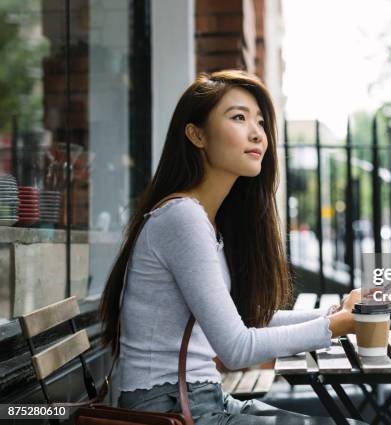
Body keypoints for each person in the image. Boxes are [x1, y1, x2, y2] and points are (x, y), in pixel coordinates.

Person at [99, 70, 366, 424]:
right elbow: (237, 347)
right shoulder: (183, 218)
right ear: (196, 134)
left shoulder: (205, 222)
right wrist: (337, 327)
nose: (258, 133)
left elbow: (245, 320)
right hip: (169, 408)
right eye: (238, 117)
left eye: (259, 121)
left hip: (198, 399)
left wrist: (334, 313)